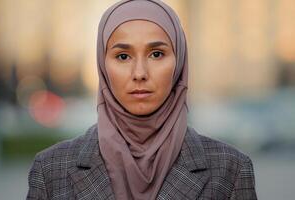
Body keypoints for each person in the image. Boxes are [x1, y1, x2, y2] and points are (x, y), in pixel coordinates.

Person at [26, 0, 257, 199]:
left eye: (156, 54)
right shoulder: (50, 170)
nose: (139, 73)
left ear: (179, 63)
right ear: (102, 65)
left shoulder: (230, 169)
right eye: (123, 56)